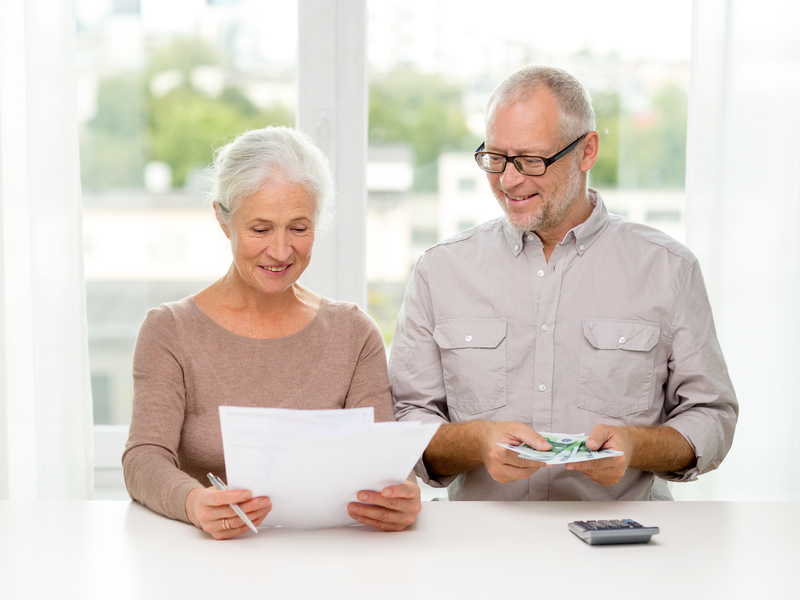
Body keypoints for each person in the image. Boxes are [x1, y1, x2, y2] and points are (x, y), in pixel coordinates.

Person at [390, 65, 738, 501]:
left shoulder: (669, 269)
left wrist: (636, 447)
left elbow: (712, 416)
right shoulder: (439, 271)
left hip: (622, 545)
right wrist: (476, 442)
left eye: (532, 161)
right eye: (495, 158)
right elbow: (405, 419)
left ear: (587, 151)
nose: (509, 181)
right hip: (481, 548)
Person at [123, 126, 420, 539]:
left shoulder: (354, 334)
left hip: (332, 561)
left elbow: (387, 465)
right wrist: (193, 503)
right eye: (260, 229)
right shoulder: (170, 331)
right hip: (208, 559)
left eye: (298, 228)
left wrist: (401, 496)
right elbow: (144, 458)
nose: (281, 252)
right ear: (223, 220)